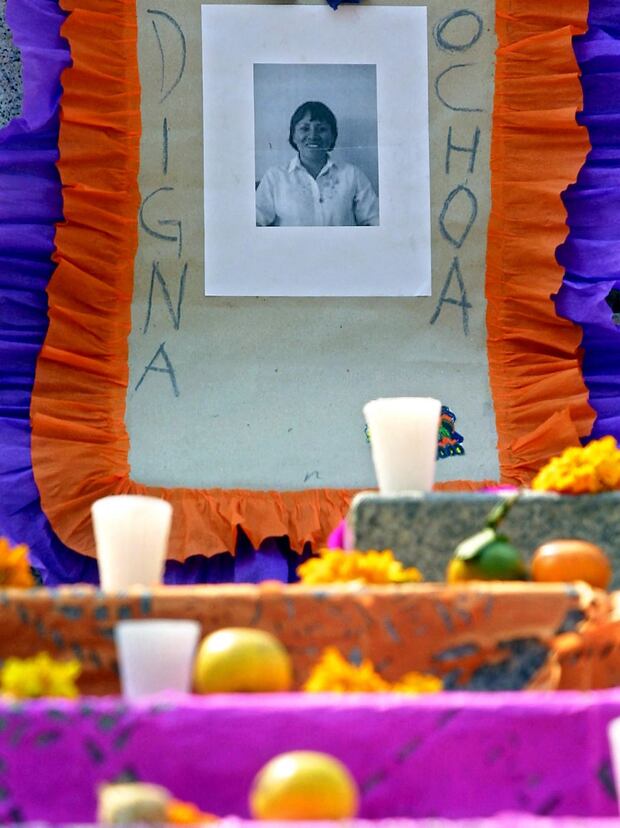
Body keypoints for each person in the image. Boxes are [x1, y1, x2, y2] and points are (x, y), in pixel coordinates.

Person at [256, 101, 379, 227]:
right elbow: (256, 223)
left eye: (322, 129)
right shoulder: (275, 177)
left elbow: (374, 221)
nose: (313, 136)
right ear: (293, 136)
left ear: (332, 136)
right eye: (305, 129)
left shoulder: (352, 175)